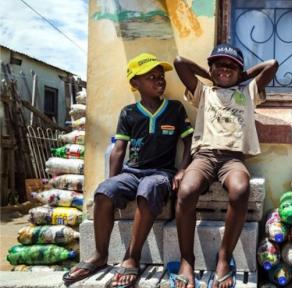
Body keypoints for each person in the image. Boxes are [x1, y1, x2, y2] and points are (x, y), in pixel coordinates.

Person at [62, 53, 193, 288]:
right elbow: (118, 150)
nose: (159, 80)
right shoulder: (128, 112)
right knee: (103, 192)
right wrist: (113, 185)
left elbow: (190, 143)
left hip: (160, 173)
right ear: (135, 84)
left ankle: (132, 255)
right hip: (131, 172)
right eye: (151, 77)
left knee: (149, 188)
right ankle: (100, 255)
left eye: (161, 76)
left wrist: (182, 170)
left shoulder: (175, 109)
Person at [172, 44, 278, 288]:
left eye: (231, 66)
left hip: (232, 159)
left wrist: (243, 75)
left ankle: (223, 258)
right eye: (219, 65)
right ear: (211, 69)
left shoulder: (248, 91)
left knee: (241, 189)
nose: (224, 69)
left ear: (239, 71)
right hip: (204, 157)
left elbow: (271, 65)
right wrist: (209, 73)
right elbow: (180, 62)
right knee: (186, 192)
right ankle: (187, 259)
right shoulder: (204, 92)